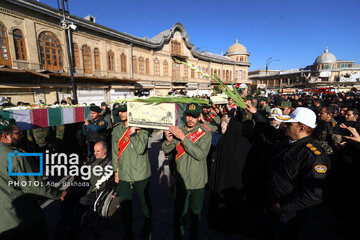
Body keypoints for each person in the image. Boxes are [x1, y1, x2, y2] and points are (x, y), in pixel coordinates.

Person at [250, 106, 331, 240]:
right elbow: (270, 132)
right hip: (272, 202)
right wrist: (256, 114)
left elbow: (315, 193)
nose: (285, 125)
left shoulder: (313, 156)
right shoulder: (288, 140)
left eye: (289, 124)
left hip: (287, 213)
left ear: (302, 128)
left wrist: (283, 207)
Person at [0, 117, 66, 240]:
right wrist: (59, 194)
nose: (22, 135)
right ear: (5, 137)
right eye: (18, 133)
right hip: (22, 218)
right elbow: (35, 187)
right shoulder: (17, 157)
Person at [162, 103, 212, 240]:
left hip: (197, 181)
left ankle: (194, 235)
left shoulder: (205, 133)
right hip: (181, 180)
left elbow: (200, 154)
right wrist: (168, 141)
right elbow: (166, 150)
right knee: (179, 213)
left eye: (194, 117)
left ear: (199, 117)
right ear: (184, 116)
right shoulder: (178, 130)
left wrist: (183, 138)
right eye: (188, 116)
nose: (190, 119)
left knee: (195, 214)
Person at [111, 103, 152, 239]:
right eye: (119, 112)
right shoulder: (117, 129)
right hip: (123, 173)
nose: (121, 114)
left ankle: (148, 222)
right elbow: (115, 152)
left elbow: (140, 149)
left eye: (124, 111)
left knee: (144, 201)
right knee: (125, 203)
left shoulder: (143, 129)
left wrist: (133, 133)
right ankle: (128, 229)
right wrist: (116, 172)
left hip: (140, 172)